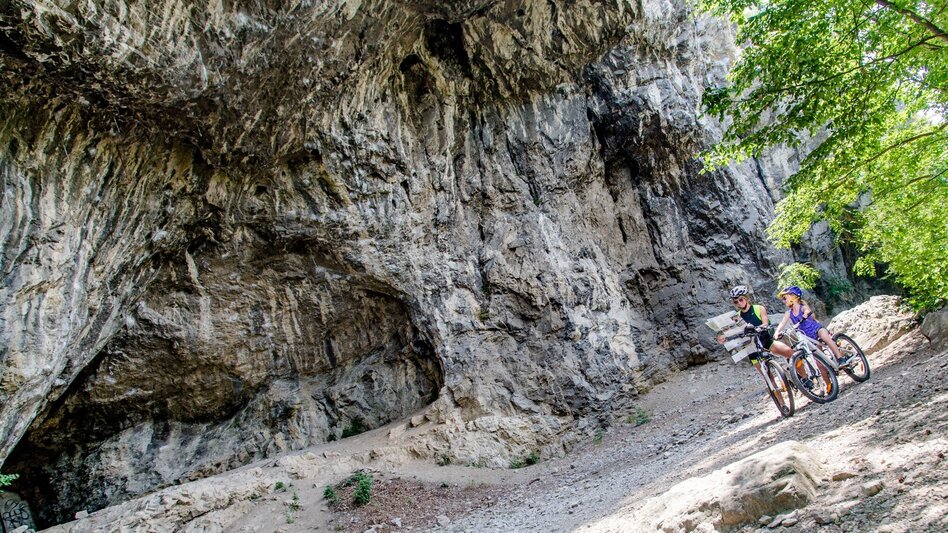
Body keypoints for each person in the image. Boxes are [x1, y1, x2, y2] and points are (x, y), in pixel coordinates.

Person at [717, 286, 796, 406]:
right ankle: (782, 405)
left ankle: (802, 379)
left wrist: (761, 327)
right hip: (752, 349)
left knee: (791, 353)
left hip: (766, 341)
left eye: (741, 299)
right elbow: (731, 333)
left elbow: (765, 322)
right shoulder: (736, 318)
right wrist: (723, 338)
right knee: (768, 378)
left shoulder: (759, 308)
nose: (739, 303)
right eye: (736, 301)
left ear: (746, 298)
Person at [774, 286, 845, 362]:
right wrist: (777, 332)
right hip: (808, 337)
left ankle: (840, 358)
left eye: (785, 298)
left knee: (825, 337)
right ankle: (829, 370)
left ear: (793, 296)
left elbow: (807, 310)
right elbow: (782, 323)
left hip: (816, 329)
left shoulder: (803, 307)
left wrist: (806, 314)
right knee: (819, 360)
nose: (783, 301)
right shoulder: (788, 313)